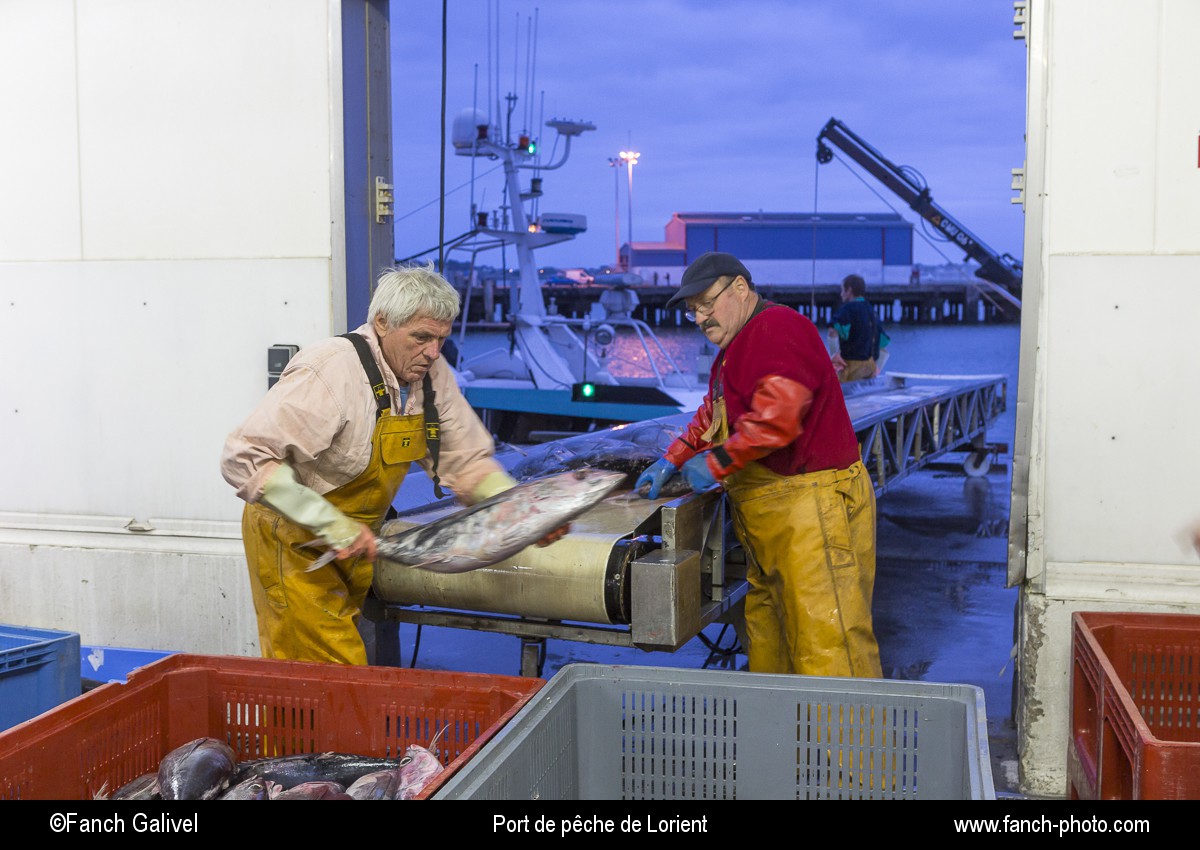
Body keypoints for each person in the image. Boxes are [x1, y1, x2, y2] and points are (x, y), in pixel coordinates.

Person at [220, 263, 563, 665]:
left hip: (353, 542)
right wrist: (330, 523)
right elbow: (245, 455)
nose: (433, 352)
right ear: (382, 322)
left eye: (441, 338)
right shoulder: (331, 369)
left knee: (318, 670)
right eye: (421, 337)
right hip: (293, 538)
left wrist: (525, 513)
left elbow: (465, 461)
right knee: (329, 671)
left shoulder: (431, 375)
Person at [636, 252, 882, 678]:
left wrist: (717, 462)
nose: (701, 318)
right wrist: (672, 458)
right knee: (771, 646)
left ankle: (848, 728)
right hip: (771, 531)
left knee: (830, 647)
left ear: (740, 287)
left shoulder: (778, 327)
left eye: (707, 303)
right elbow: (712, 415)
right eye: (694, 310)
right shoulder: (733, 350)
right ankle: (783, 723)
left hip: (812, 516)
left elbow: (778, 417)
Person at [828, 273, 888, 382]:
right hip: (869, 368)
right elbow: (883, 344)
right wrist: (877, 369)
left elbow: (832, 331)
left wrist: (834, 355)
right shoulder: (871, 311)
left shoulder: (848, 309)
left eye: (842, 290)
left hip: (850, 368)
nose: (841, 294)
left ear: (849, 290)